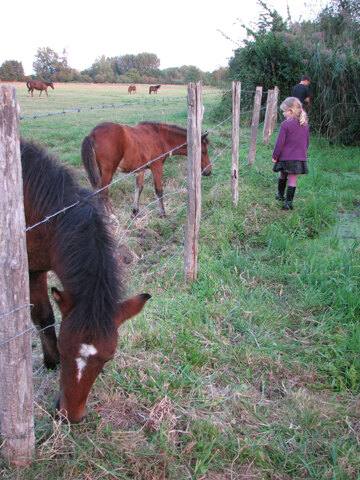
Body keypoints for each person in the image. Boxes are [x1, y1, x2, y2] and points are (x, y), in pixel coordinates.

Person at [272, 97, 310, 210]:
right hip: (298, 158)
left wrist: (275, 155)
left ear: (291, 111)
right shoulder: (305, 124)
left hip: (285, 157)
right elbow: (306, 143)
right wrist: (302, 153)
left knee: (282, 174)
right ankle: (288, 203)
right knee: (293, 180)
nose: (283, 113)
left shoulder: (285, 124)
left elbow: (279, 143)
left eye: (284, 111)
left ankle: (280, 195)